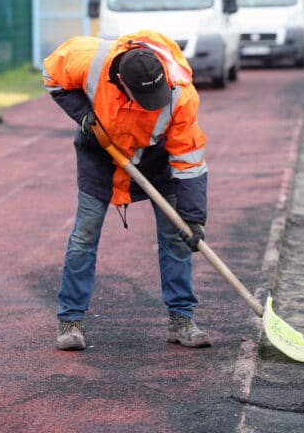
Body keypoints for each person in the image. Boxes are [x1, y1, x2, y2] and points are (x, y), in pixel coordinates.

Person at [42, 30, 211, 351]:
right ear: (120, 81)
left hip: (156, 162)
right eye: (145, 100)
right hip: (101, 156)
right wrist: (84, 117)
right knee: (84, 235)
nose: (153, 105)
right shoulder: (88, 59)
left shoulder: (181, 94)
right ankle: (71, 320)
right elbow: (51, 74)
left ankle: (182, 319)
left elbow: (189, 159)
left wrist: (193, 218)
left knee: (178, 235)